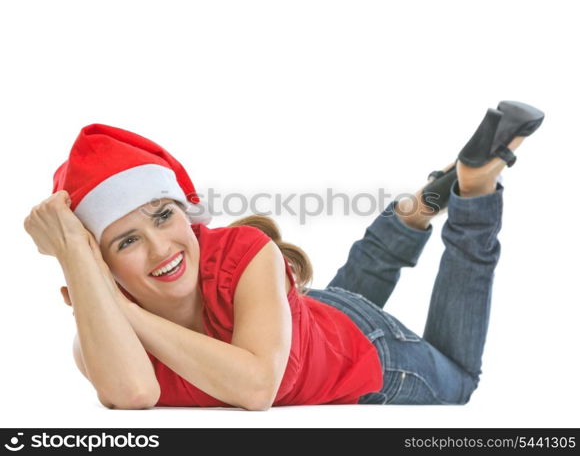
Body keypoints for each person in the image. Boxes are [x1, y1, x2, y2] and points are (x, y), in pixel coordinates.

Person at [23, 101, 543, 409]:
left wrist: (126, 310)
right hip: (304, 320)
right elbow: (133, 394)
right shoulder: (98, 339)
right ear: (99, 266)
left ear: (187, 212)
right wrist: (76, 257)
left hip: (371, 355)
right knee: (331, 303)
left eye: (163, 215)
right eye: (125, 240)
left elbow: (255, 389)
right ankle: (412, 213)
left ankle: (471, 193)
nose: (161, 246)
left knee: (460, 384)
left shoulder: (243, 252)